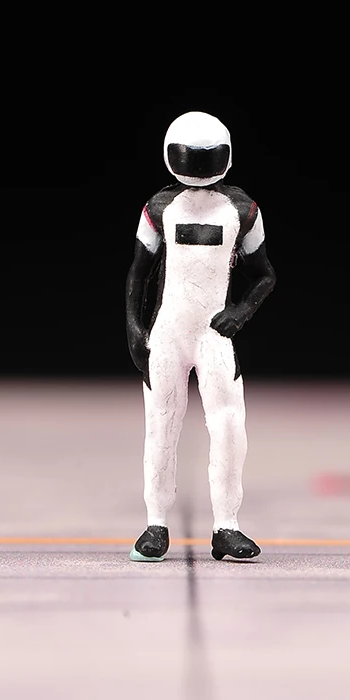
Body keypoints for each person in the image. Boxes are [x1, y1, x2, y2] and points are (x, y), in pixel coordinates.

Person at [125, 112, 276, 561]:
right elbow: (138, 272)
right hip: (167, 333)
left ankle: (227, 525)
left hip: (213, 334)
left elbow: (264, 274)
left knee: (229, 426)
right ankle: (155, 524)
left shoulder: (243, 210)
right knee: (161, 424)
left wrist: (239, 313)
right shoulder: (158, 208)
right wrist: (135, 328)